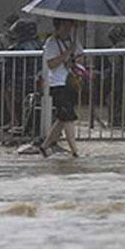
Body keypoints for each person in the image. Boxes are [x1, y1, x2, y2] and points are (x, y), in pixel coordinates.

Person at [39, 18, 84, 158]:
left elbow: (81, 57)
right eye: (65, 25)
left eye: (70, 25)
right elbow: (51, 64)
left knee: (62, 118)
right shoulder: (51, 43)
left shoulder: (73, 41)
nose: (68, 28)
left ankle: (45, 146)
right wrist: (66, 54)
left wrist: (75, 61)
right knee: (69, 117)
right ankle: (75, 151)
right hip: (57, 84)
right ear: (58, 26)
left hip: (71, 83)